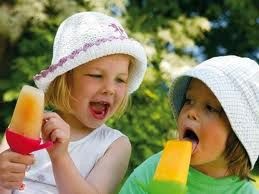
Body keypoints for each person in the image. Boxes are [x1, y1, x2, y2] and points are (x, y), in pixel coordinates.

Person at [0, 11, 147, 194]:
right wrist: (2, 181)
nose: (110, 88)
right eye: (96, 75)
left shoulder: (115, 145)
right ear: (65, 81)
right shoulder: (27, 128)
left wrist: (60, 156)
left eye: (120, 80)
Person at [119, 55, 259, 194]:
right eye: (189, 100)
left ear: (239, 133)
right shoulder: (153, 171)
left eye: (210, 107)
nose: (191, 112)